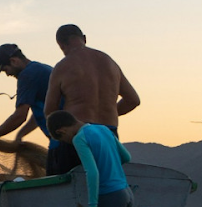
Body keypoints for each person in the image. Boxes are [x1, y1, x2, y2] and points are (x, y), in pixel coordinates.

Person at [44, 24, 140, 175]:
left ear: (61, 45)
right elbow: (133, 100)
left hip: (76, 134)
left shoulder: (63, 66)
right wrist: (109, 112)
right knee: (106, 184)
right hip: (108, 133)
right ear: (84, 39)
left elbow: (50, 110)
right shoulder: (110, 63)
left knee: (73, 189)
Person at [0, 43, 55, 170]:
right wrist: (21, 134)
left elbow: (19, 116)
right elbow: (43, 113)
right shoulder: (41, 68)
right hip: (72, 136)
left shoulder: (27, 75)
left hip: (62, 140)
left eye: (5, 69)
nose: (7, 74)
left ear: (14, 61)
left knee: (57, 180)